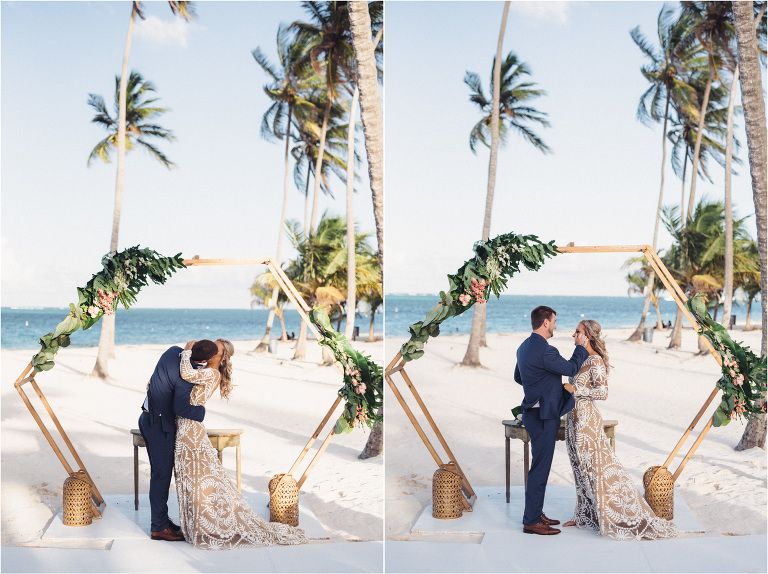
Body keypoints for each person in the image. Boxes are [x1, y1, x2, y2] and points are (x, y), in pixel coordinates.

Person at [175, 338, 307, 549]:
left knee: (195, 482)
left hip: (190, 430)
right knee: (190, 481)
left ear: (223, 357)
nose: (211, 349)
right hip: (186, 427)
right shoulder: (204, 369)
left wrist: (186, 351)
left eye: (216, 349)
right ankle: (196, 527)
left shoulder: (212, 373)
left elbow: (186, 374)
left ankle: (204, 527)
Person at [563, 320, 677, 540]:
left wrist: (575, 390)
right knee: (579, 469)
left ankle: (613, 515)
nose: (573, 335)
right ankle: (584, 515)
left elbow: (602, 392)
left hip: (587, 422)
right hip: (573, 420)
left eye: (577, 332)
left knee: (594, 469)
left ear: (588, 335)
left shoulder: (595, 360)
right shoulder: (580, 358)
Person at [514, 306, 589, 535]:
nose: (555, 326)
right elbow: (571, 368)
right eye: (554, 321)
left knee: (539, 466)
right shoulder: (547, 351)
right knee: (540, 469)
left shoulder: (523, 347)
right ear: (545, 322)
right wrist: (580, 347)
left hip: (532, 414)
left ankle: (535, 513)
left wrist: (540, 385)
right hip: (544, 416)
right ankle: (531, 521)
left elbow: (519, 377)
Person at [138, 341, 218, 541]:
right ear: (203, 360)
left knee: (159, 473)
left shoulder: (172, 351)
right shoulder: (186, 377)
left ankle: (162, 521)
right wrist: (201, 411)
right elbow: (181, 409)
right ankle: (158, 528)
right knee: (161, 475)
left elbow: (155, 381)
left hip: (146, 418)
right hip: (160, 426)